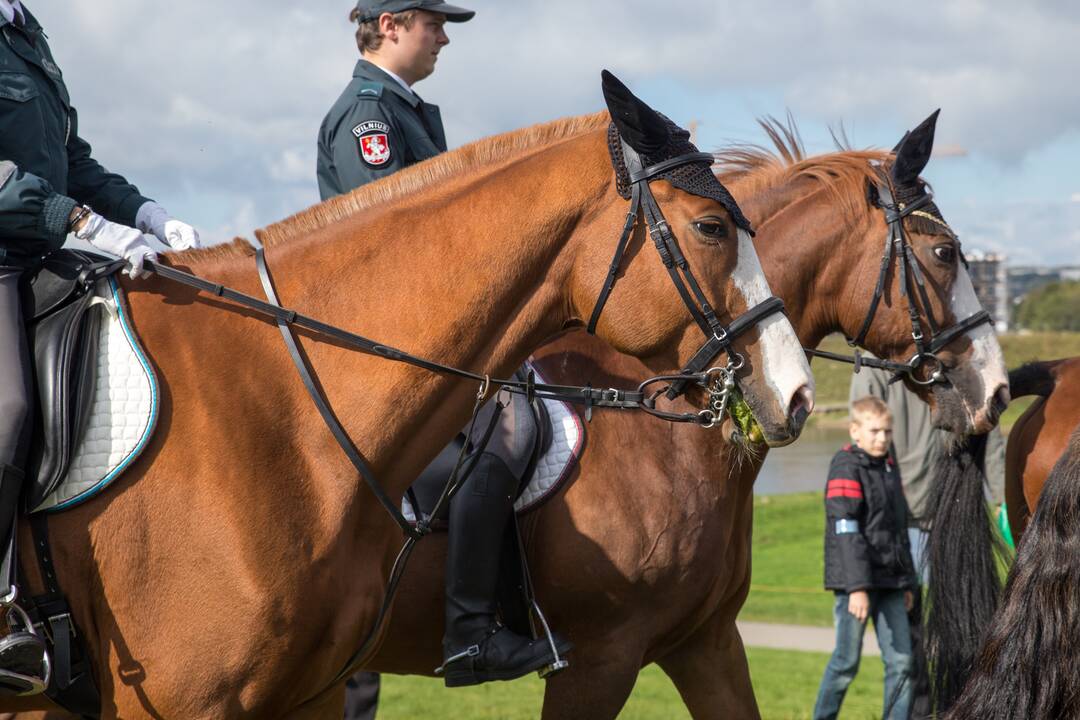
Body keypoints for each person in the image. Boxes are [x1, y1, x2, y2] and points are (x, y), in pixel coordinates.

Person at [318, 1, 568, 706]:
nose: (446, 36)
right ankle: (469, 631)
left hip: (429, 342)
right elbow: (396, 248)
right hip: (391, 349)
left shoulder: (404, 111)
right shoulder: (369, 118)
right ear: (392, 23)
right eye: (435, 22)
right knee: (500, 438)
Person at [0, 1, 201, 693]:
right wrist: (83, 222)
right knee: (11, 410)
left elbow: (68, 157)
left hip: (40, 256)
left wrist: (145, 213)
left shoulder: (24, 28)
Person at [813, 397, 917, 720]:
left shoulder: (889, 464)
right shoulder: (845, 465)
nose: (882, 438)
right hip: (855, 584)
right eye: (874, 431)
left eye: (887, 431)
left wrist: (908, 581)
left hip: (892, 581)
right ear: (854, 431)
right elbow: (846, 530)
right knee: (846, 663)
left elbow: (899, 528)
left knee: (902, 663)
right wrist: (857, 587)